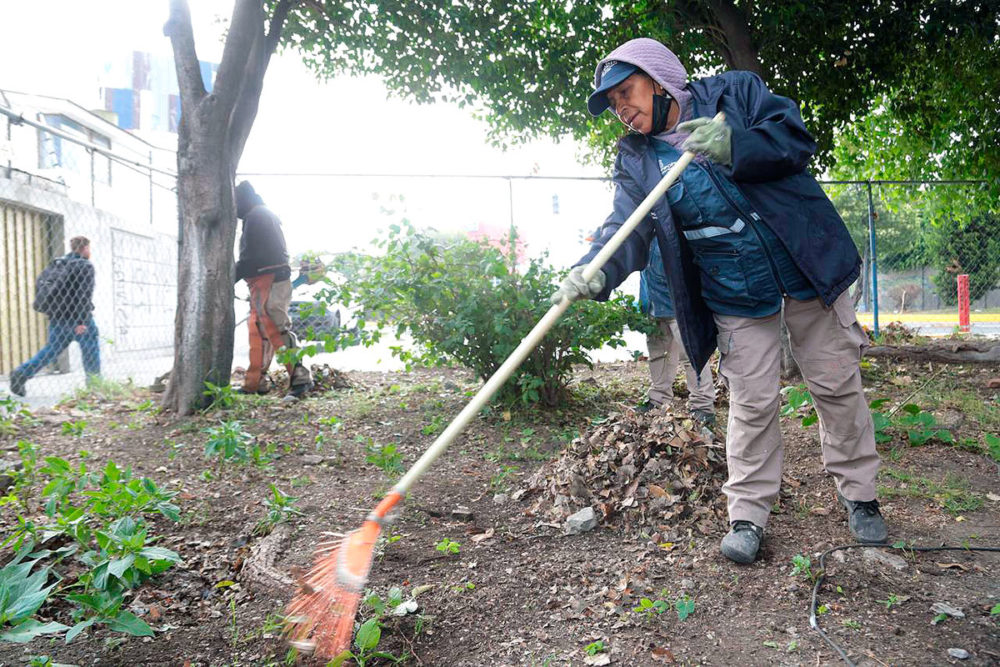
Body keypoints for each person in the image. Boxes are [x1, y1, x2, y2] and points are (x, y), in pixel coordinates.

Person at [550, 38, 886, 564]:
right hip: (734, 289)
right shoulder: (636, 158)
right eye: (613, 103)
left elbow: (793, 139)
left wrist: (735, 144)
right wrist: (595, 270)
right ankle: (748, 515)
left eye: (627, 92)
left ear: (659, 80)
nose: (622, 108)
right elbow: (626, 229)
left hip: (806, 265)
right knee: (751, 403)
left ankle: (860, 496)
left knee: (836, 384)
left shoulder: (736, 93)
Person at [234, 181, 313, 399]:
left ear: (244, 200)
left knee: (276, 330)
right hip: (266, 281)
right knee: (259, 332)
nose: (235, 209)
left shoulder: (257, 217)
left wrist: (230, 276)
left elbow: (251, 259)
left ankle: (301, 380)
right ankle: (255, 382)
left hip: (271, 281)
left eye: (236, 203)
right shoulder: (260, 215)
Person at [637, 239, 716, 425]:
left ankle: (703, 406)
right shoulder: (643, 233)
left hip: (679, 307)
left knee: (693, 356)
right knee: (658, 355)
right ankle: (658, 399)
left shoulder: (670, 230)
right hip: (653, 305)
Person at [9, 236, 100, 396]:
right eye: (89, 248)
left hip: (57, 318)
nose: (89, 251)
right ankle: (95, 386)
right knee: (90, 350)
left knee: (51, 350)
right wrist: (81, 321)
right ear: (84, 248)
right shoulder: (85, 266)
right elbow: (83, 295)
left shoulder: (58, 264)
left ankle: (21, 373)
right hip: (78, 318)